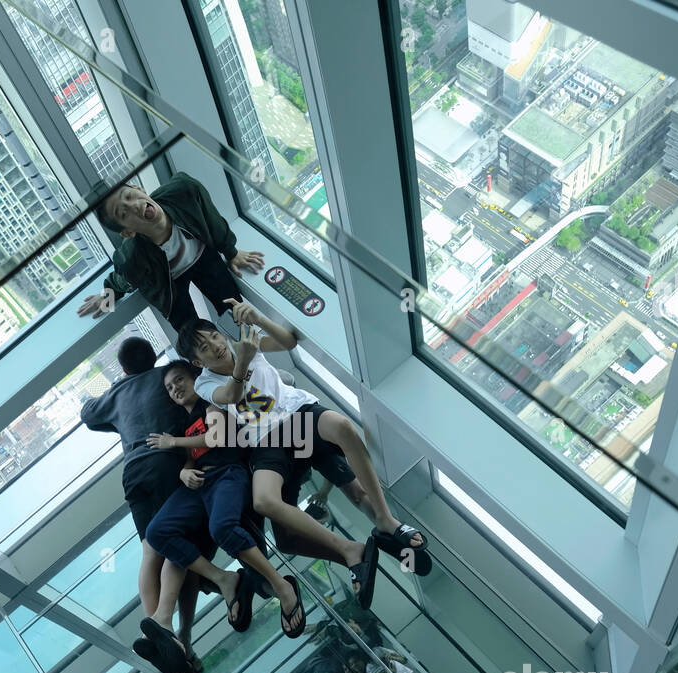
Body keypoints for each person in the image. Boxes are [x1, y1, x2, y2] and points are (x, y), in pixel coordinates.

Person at [178, 300, 430, 609]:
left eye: (213, 337)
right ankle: (350, 550)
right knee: (264, 501)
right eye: (203, 348)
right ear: (197, 361)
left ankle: (386, 521)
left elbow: (288, 341)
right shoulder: (205, 383)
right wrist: (242, 363)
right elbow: (230, 394)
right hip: (266, 437)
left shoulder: (244, 343)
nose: (214, 346)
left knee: (342, 427)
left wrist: (258, 318)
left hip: (296, 412)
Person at [143, 361, 307, 643]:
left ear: (196, 378)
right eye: (169, 387)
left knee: (223, 528)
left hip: (229, 474)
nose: (175, 389)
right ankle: (224, 579)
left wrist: (172, 442)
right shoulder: (181, 423)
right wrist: (183, 470)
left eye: (179, 380)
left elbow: (216, 437)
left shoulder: (212, 402)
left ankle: (283, 587)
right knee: (157, 533)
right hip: (198, 485)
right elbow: (191, 455)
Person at [78, 337, 212, 673]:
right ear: (154, 358)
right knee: (178, 544)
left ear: (123, 368)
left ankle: (153, 631)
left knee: (150, 550)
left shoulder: (114, 394)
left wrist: (108, 385)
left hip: (134, 473)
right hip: (167, 463)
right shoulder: (166, 379)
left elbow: (87, 411)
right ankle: (171, 630)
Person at [77, 174, 265, 331]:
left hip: (201, 255)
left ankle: (253, 360)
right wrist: (108, 295)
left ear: (139, 189)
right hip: (169, 281)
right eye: (124, 213)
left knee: (235, 312)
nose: (134, 205)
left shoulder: (184, 192)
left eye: (129, 195)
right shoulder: (132, 258)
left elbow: (212, 219)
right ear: (128, 233)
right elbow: (122, 279)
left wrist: (231, 251)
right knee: (193, 336)